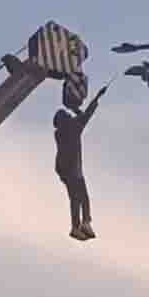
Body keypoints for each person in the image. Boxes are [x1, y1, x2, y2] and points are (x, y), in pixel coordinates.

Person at [53, 85, 106, 241]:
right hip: (72, 169)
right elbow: (86, 115)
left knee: (76, 198)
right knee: (82, 197)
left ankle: (78, 226)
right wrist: (97, 97)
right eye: (68, 115)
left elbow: (82, 117)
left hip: (64, 168)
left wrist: (78, 111)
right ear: (65, 119)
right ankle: (84, 223)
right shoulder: (72, 127)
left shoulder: (62, 131)